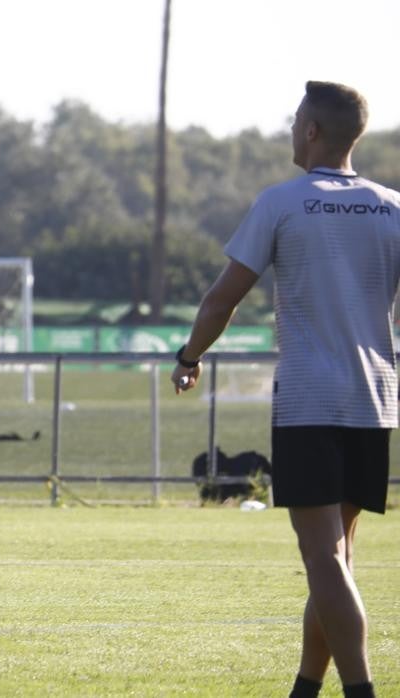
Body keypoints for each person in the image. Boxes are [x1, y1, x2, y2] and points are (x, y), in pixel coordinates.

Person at [171, 82, 394, 698]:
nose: (292, 129)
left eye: (297, 120)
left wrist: (189, 356)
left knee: (323, 561)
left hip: (309, 402)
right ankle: (304, 688)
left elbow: (222, 298)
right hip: (374, 400)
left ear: (313, 130)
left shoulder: (282, 203)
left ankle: (361, 691)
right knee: (338, 560)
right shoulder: (392, 207)